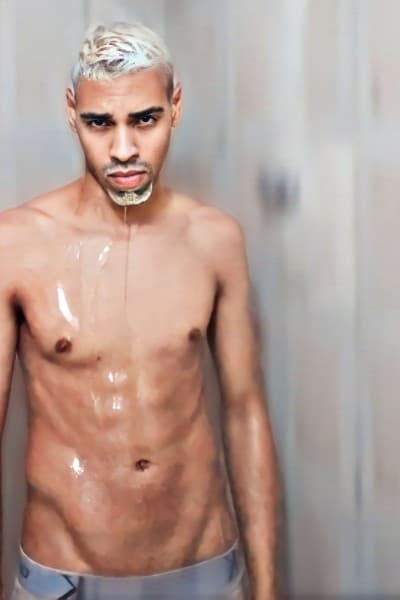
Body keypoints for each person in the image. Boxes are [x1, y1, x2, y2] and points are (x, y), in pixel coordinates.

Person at [0, 21, 279, 600]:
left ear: (175, 106)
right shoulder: (15, 245)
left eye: (144, 120)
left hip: (204, 569)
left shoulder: (215, 240)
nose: (124, 149)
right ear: (71, 112)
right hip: (63, 578)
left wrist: (268, 588)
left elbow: (245, 413)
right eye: (100, 123)